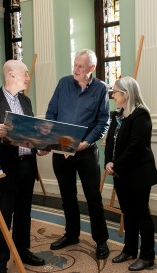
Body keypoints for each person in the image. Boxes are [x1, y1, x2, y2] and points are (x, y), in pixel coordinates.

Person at [0, 60, 47, 273]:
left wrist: (40, 146)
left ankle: (22, 251)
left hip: (27, 166)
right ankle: (0, 262)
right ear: (11, 74)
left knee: (24, 214)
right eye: (25, 73)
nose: (28, 77)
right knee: (4, 217)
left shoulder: (26, 101)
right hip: (6, 169)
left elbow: (30, 133)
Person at [45, 49, 110, 259]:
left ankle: (101, 240)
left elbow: (103, 122)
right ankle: (71, 234)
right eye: (75, 65)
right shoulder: (64, 83)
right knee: (67, 196)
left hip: (86, 151)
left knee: (93, 197)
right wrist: (62, 144)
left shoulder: (100, 89)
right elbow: (51, 113)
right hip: (62, 150)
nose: (75, 69)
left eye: (80, 66)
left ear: (91, 69)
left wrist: (84, 143)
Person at [104, 76, 157, 271]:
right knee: (127, 213)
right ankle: (129, 249)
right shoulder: (118, 114)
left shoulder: (140, 114)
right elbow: (110, 141)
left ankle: (147, 257)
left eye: (116, 92)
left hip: (138, 173)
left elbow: (135, 147)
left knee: (141, 214)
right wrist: (107, 163)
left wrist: (116, 165)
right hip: (121, 172)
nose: (113, 95)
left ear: (126, 94)